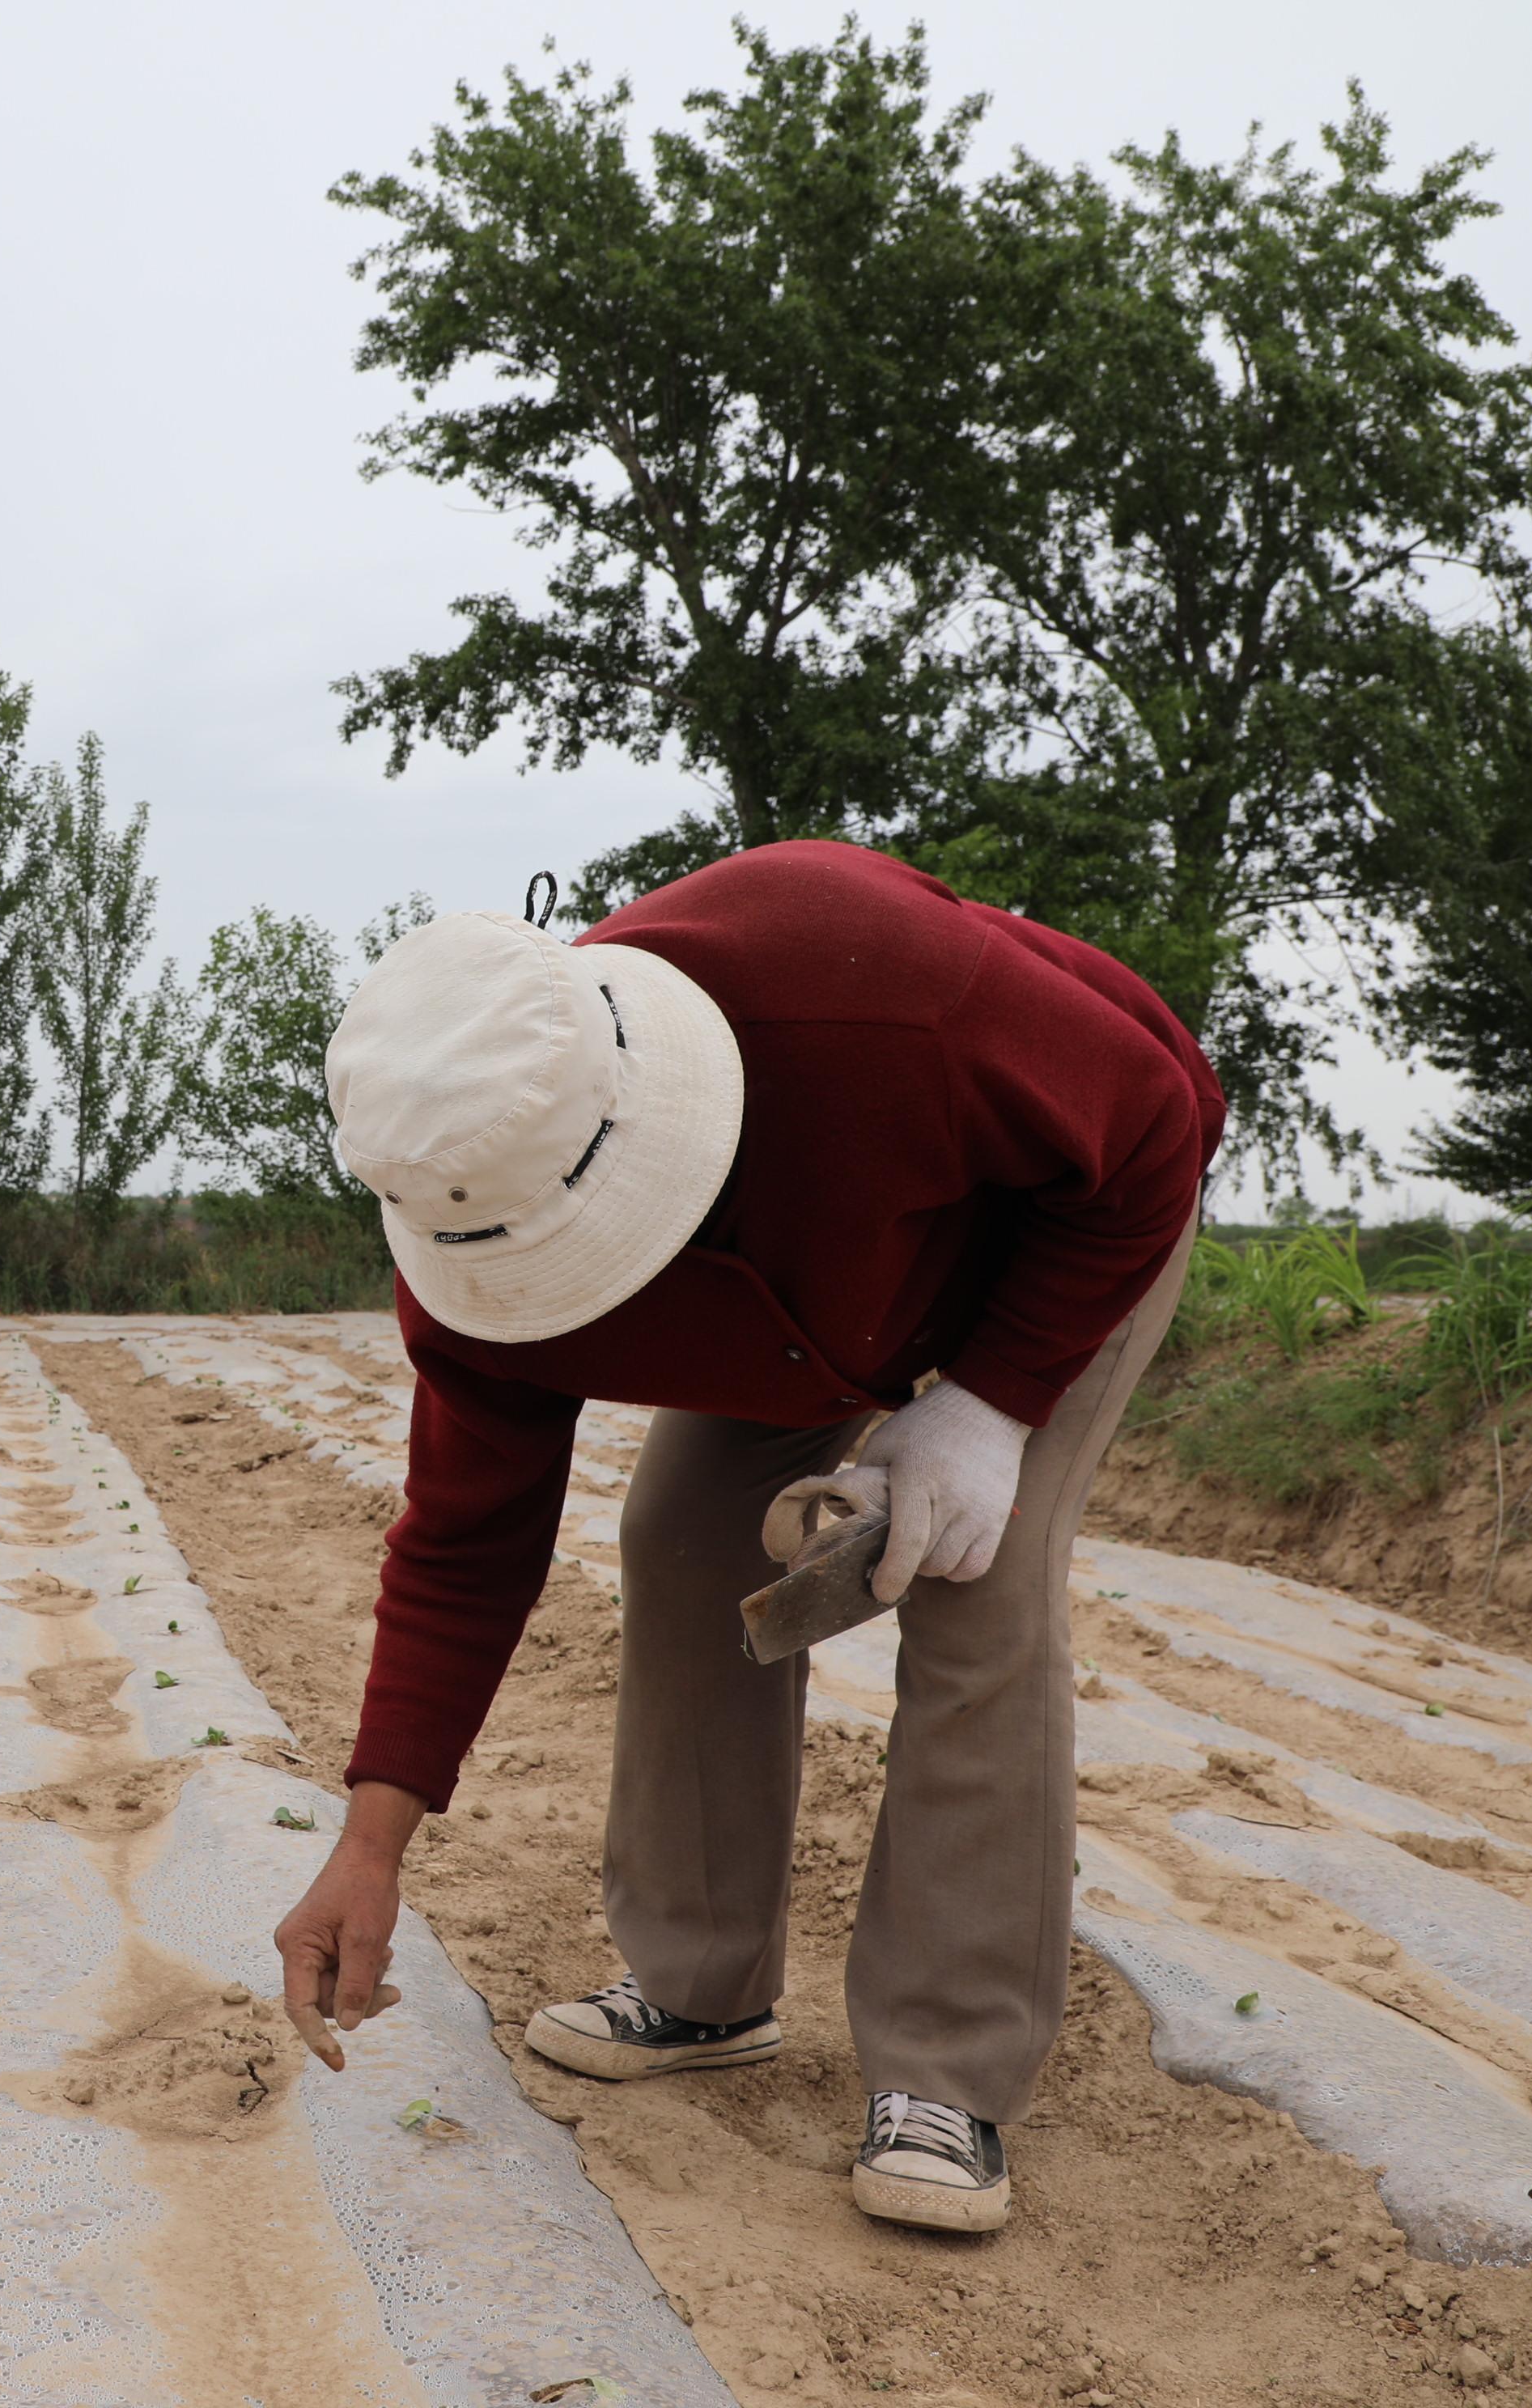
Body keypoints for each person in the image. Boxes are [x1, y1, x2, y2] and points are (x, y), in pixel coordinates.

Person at [270, 840, 1221, 2233]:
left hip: (1056, 1242)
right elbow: (464, 1546)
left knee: (975, 1575)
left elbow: (1151, 1125)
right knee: (677, 1536)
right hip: (807, 1305)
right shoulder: (474, 1216)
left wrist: (993, 1401)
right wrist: (370, 1847)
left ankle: (945, 2071)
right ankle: (699, 1986)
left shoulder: (868, 989)